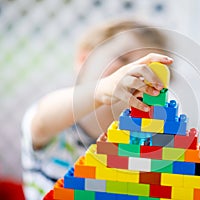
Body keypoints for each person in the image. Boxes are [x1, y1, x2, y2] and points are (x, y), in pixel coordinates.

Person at [21, 20, 173, 199]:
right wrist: (101, 89)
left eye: (149, 71)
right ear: (84, 59)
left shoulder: (140, 143)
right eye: (123, 59)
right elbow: (42, 121)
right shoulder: (58, 123)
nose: (135, 72)